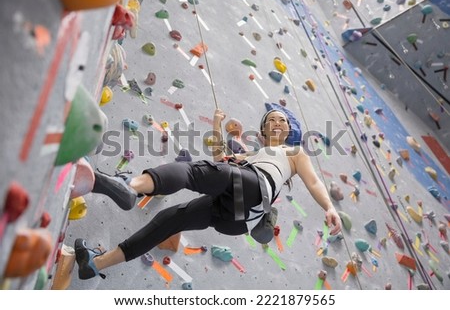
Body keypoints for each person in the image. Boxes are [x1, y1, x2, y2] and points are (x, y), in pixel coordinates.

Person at [74, 109, 342, 280]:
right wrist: (216, 123)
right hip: (236, 218)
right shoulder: (252, 154)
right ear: (262, 132)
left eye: (281, 120)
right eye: (270, 119)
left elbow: (315, 183)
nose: (275, 122)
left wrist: (329, 207)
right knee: (171, 218)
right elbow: (219, 158)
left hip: (252, 190)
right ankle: (96, 264)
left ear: (288, 131)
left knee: (191, 173)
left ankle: (129, 187)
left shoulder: (294, 153)